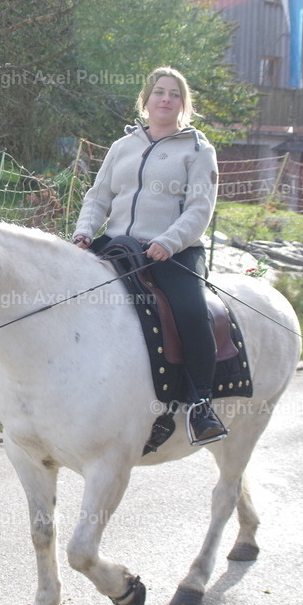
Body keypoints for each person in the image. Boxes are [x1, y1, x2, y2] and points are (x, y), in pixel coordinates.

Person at [72, 66, 227, 445]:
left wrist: (169, 242)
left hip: (172, 253)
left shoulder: (197, 150)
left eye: (174, 94)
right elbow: (98, 196)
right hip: (117, 245)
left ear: (183, 104)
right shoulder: (122, 147)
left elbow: (199, 209)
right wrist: (83, 232)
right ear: (145, 99)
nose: (165, 99)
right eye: (159, 92)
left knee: (191, 311)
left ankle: (200, 405)